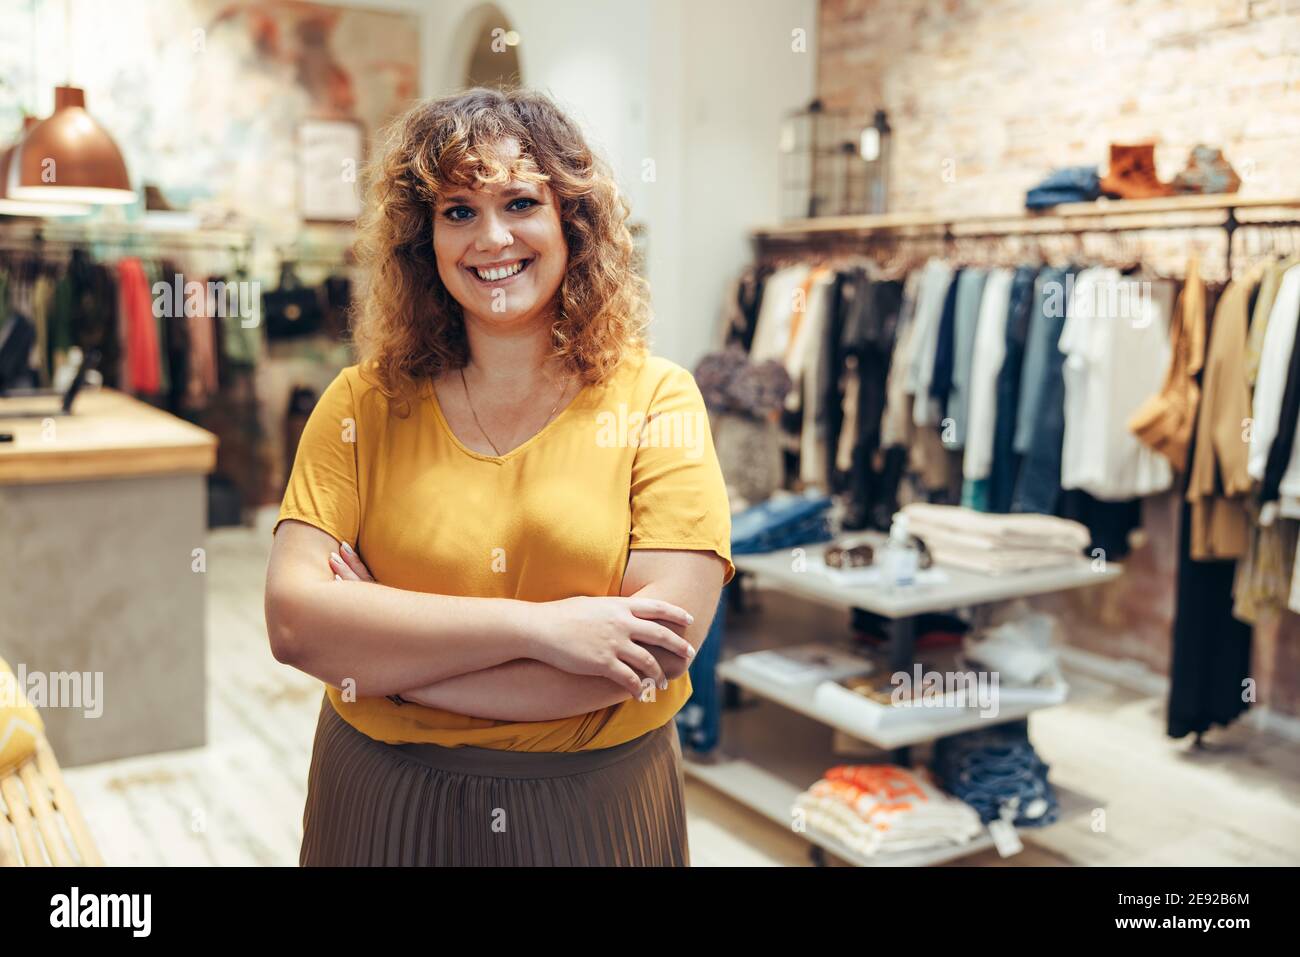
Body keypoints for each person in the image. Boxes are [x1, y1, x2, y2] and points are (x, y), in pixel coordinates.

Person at [264, 86, 734, 866]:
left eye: (520, 202)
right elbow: (295, 625)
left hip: (592, 806)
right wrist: (546, 630)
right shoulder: (362, 402)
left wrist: (383, 654)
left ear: (570, 223)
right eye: (457, 211)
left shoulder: (659, 399)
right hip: (383, 798)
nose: (491, 237)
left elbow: (650, 656)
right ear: (425, 240)